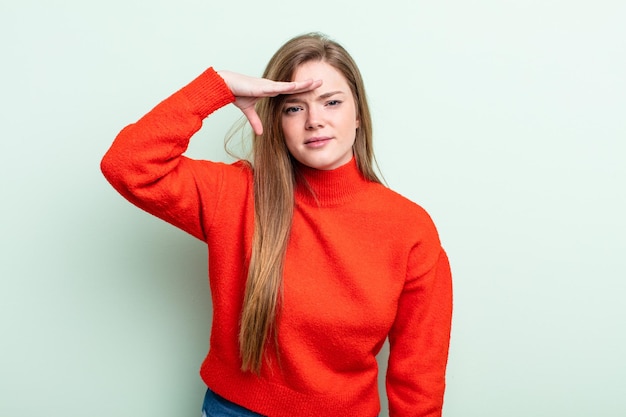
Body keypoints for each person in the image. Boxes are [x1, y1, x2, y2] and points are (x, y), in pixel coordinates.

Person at [101, 32, 453, 417]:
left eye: (331, 102)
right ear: (277, 121)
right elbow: (127, 164)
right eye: (293, 109)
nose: (314, 120)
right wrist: (216, 87)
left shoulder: (409, 228)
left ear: (358, 116)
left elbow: (419, 374)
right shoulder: (237, 195)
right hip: (234, 410)